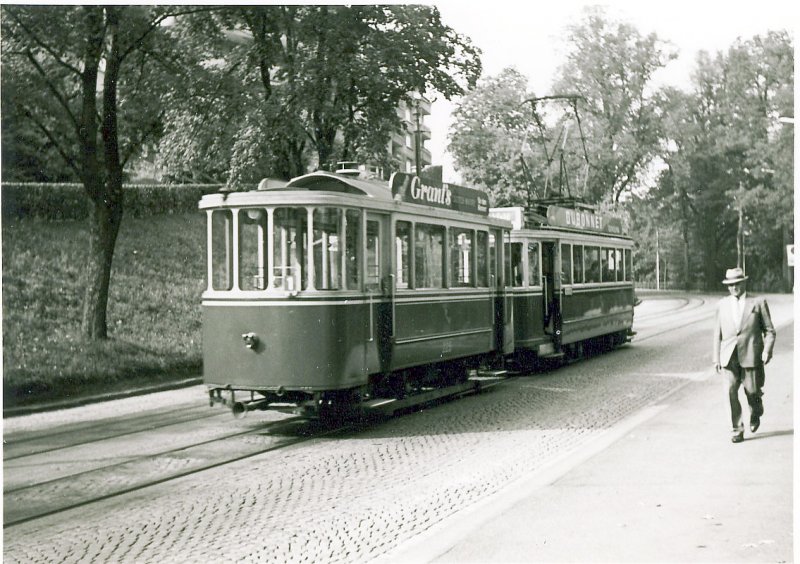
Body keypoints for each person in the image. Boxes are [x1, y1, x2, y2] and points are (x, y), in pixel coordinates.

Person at [713, 267, 776, 443]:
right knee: (730, 391)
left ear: (744, 283)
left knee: (753, 392)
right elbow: (716, 333)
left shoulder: (758, 303)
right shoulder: (722, 305)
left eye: (737, 284)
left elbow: (770, 331)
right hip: (729, 357)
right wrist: (716, 358)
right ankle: (736, 429)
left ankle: (756, 411)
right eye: (730, 285)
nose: (734, 288)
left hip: (751, 355)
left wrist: (766, 351)